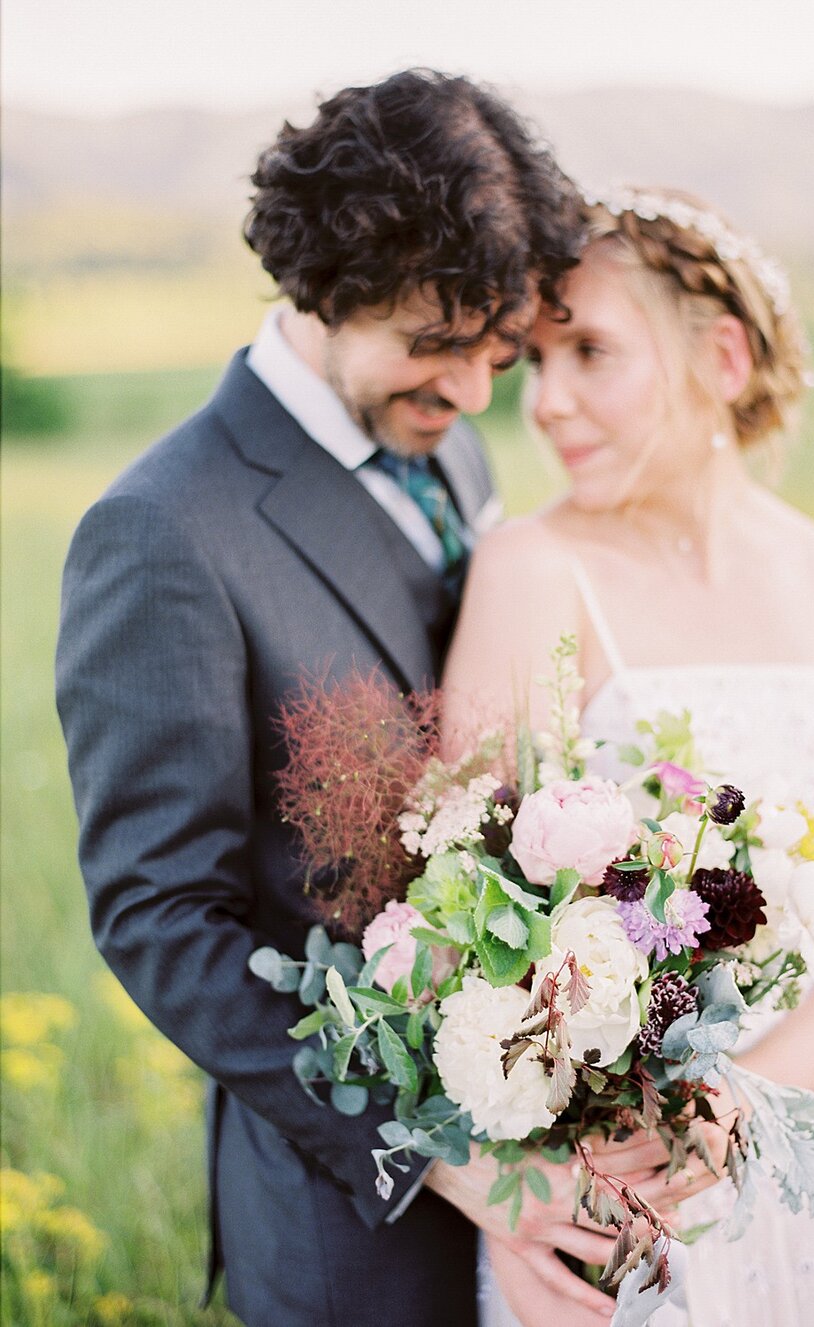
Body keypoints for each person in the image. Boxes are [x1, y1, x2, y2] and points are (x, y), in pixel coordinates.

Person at [55, 69, 635, 1327]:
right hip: (349, 1215)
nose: (476, 393)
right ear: (320, 284)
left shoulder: (448, 439)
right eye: (436, 347)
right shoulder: (162, 531)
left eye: (495, 351)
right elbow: (161, 916)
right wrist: (443, 1153)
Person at [444, 186, 814, 1326]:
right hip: (620, 1180)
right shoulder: (532, 571)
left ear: (724, 360)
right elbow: (453, 911)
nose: (544, 403)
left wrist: (745, 1096)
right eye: (534, 362)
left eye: (589, 351)